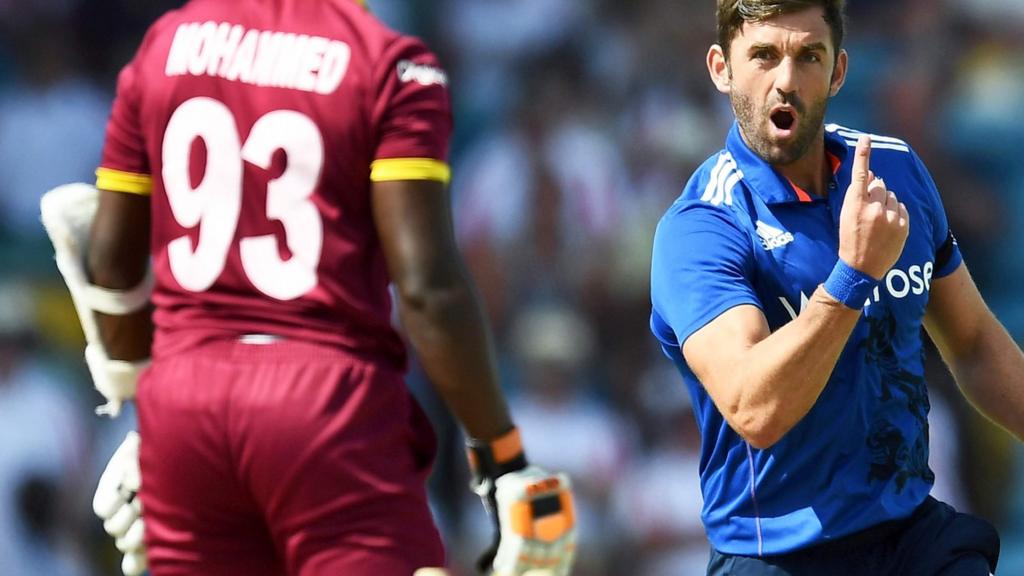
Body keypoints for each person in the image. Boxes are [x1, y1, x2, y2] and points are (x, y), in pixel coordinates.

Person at [57, 1, 577, 575]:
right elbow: (429, 289)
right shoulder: (389, 66)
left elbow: (111, 261)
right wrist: (500, 454)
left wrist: (144, 406)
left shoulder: (165, 45)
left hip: (186, 406)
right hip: (325, 404)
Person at [649, 1, 1024, 574]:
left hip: (911, 537)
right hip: (779, 553)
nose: (785, 80)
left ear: (838, 71)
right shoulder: (702, 225)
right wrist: (851, 276)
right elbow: (755, 409)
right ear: (722, 68)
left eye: (808, 57)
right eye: (764, 56)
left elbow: (972, 344)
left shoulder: (896, 173)